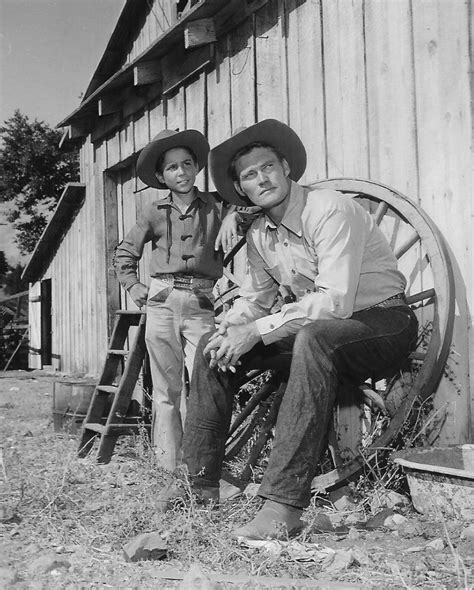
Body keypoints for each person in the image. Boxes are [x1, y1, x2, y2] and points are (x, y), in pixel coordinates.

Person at [171, 119, 418, 539]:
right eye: (249, 175)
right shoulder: (260, 237)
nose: (261, 178)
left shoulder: (329, 208)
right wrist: (233, 327)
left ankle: (282, 507)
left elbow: (335, 302)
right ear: (242, 191)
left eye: (268, 166)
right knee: (213, 349)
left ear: (286, 168)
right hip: (320, 334)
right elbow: (255, 299)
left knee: (313, 337)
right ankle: (198, 488)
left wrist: (259, 330)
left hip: (383, 322)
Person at [114, 128, 257, 473]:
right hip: (162, 298)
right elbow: (125, 252)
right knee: (166, 387)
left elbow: (254, 207)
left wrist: (236, 216)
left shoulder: (217, 205)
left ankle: (201, 464)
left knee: (205, 382)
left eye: (187, 164)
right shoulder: (152, 212)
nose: (181, 172)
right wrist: (133, 286)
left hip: (201, 301)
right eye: (172, 168)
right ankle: (169, 467)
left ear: (196, 168)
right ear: (162, 177)